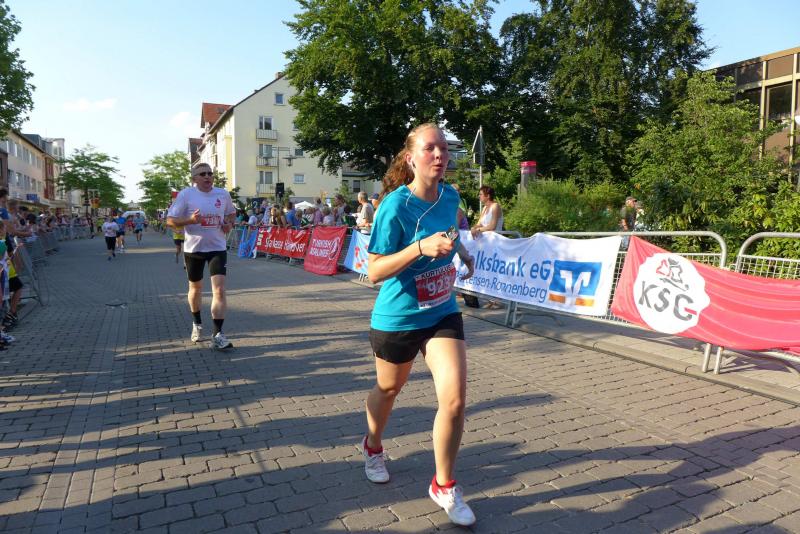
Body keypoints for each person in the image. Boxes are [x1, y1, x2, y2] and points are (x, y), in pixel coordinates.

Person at [361, 123, 477, 527]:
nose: (440, 155)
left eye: (444, 148)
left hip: (441, 310)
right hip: (398, 316)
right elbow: (374, 271)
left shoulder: (451, 195)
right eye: (430, 148)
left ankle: (444, 485)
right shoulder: (394, 207)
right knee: (389, 389)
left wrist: (462, 252)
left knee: (455, 399)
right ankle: (373, 446)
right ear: (411, 158)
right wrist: (419, 248)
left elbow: (450, 228)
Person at [167, 163, 236, 351]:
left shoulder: (222, 194)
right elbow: (170, 221)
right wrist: (190, 220)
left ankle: (217, 334)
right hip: (194, 250)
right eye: (202, 174)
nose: (207, 176)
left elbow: (231, 213)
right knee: (195, 289)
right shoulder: (186, 195)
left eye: (210, 173)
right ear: (194, 178)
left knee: (219, 290)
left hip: (217, 248)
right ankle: (197, 323)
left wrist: (229, 224)